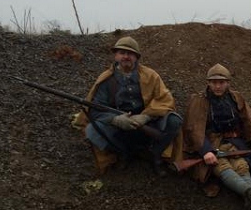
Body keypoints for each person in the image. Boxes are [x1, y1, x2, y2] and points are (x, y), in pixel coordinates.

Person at [77, 36, 182, 176]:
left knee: (174, 121)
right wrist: (115, 120)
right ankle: (124, 152)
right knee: (92, 131)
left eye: (130, 53)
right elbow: (96, 109)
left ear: (136, 57)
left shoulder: (151, 75)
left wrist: (145, 116)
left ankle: (156, 154)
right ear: (115, 55)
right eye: (122, 52)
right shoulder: (106, 79)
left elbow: (165, 100)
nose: (126, 56)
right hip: (120, 128)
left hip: (148, 123)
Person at [182, 64, 251, 210]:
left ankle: (250, 197)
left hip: (235, 143)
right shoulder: (198, 101)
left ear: (228, 83)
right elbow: (194, 129)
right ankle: (250, 193)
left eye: (221, 82)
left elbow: (250, 122)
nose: (217, 86)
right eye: (214, 82)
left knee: (242, 165)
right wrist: (206, 151)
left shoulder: (236, 98)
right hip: (212, 144)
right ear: (208, 83)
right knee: (222, 167)